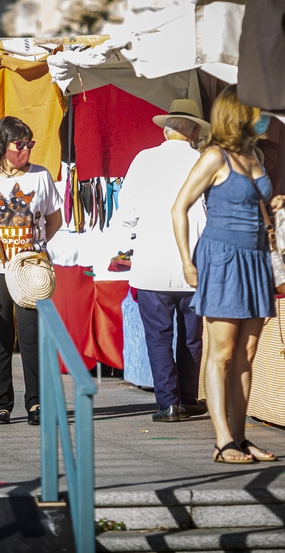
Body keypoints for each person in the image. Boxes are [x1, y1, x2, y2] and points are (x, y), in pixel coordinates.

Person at [172, 86, 285, 464]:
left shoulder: (254, 153)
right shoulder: (214, 157)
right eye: (258, 109)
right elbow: (179, 207)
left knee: (247, 354)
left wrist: (275, 205)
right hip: (222, 258)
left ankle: (239, 435)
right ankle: (223, 440)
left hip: (254, 258)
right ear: (240, 113)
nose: (264, 115)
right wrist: (188, 261)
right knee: (220, 353)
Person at [0, 116, 63, 426]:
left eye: (29, 143)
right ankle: (2, 403)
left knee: (33, 337)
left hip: (30, 270)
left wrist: (36, 249)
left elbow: (54, 219)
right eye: (19, 144)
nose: (26, 149)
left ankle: (36, 403)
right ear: (1, 146)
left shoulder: (41, 176)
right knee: (0, 337)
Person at [118, 99, 210, 423]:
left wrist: (124, 248)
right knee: (191, 336)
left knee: (158, 337)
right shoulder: (203, 160)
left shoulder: (143, 160)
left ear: (168, 130)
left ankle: (168, 404)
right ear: (195, 132)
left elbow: (126, 215)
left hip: (151, 265)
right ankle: (187, 396)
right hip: (194, 264)